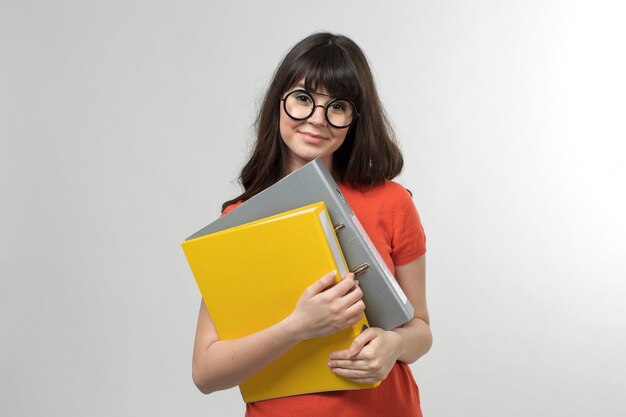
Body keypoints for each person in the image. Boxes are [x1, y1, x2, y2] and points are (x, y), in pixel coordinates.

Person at [192, 32, 432, 417]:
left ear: (356, 118)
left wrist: (394, 345)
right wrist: (299, 326)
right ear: (278, 104)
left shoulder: (392, 202)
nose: (317, 120)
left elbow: (420, 328)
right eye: (303, 99)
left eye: (337, 106)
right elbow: (206, 372)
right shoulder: (240, 218)